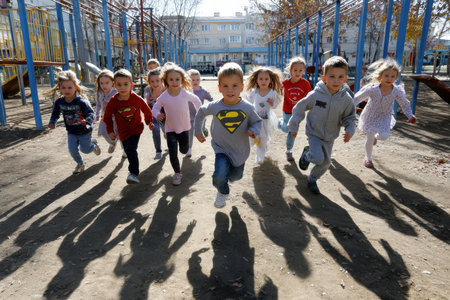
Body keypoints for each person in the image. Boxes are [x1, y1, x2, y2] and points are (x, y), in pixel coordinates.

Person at [194, 62, 262, 208]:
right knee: (219, 176)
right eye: (225, 86)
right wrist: (198, 131)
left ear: (242, 87)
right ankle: (222, 191)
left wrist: (254, 131)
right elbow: (201, 112)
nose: (230, 90)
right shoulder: (215, 106)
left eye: (235, 86)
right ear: (219, 88)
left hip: (240, 151)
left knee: (236, 176)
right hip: (221, 148)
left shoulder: (247, 108)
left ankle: (227, 177)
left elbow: (257, 122)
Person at [288, 56, 356, 194]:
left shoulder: (346, 99)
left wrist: (350, 130)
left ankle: (312, 180)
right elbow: (300, 108)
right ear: (324, 78)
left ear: (345, 78)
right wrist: (294, 126)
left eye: (340, 77)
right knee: (318, 158)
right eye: (332, 76)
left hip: (330, 136)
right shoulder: (315, 95)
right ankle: (308, 154)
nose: (336, 80)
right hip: (314, 133)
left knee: (325, 163)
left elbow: (350, 116)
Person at [354, 58, 416, 168]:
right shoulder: (372, 89)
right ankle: (368, 158)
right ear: (380, 76)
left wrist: (410, 115)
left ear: (396, 77)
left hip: (384, 116)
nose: (389, 78)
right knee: (369, 138)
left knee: (383, 136)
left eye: (392, 76)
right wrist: (347, 108)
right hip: (370, 115)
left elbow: (404, 103)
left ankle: (376, 138)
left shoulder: (396, 91)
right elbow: (357, 98)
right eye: (386, 75)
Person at [152, 63, 202, 185]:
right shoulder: (163, 96)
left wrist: (199, 112)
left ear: (182, 80)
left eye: (177, 79)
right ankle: (177, 173)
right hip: (170, 129)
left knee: (184, 150)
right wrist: (157, 114)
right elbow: (155, 108)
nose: (174, 82)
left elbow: (196, 100)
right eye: (171, 79)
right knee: (172, 152)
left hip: (184, 128)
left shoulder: (184, 93)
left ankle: (185, 149)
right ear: (166, 80)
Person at [103, 69, 155, 184]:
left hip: (136, 128)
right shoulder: (113, 101)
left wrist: (149, 122)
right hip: (122, 131)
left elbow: (146, 110)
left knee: (131, 149)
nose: (122, 87)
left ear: (131, 85)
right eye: (119, 85)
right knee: (127, 150)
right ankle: (133, 170)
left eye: (125, 84)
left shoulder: (136, 98)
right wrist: (110, 131)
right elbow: (106, 117)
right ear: (114, 86)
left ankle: (133, 173)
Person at [47, 70, 101, 174]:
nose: (66, 90)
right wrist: (52, 122)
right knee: (72, 150)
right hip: (71, 131)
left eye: (69, 87)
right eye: (63, 88)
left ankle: (93, 145)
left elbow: (91, 113)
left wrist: (87, 121)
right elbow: (55, 113)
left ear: (75, 87)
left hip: (84, 130)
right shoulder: (59, 102)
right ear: (59, 88)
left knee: (85, 150)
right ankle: (80, 164)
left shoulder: (81, 102)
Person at [245, 66, 282, 164]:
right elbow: (248, 102)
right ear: (256, 80)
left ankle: (260, 157)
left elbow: (275, 105)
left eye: (266, 79)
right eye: (260, 79)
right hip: (254, 119)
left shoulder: (272, 92)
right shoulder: (254, 91)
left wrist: (272, 103)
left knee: (263, 138)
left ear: (270, 80)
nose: (263, 81)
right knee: (253, 137)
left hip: (266, 120)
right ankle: (255, 145)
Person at [279, 56, 312, 162]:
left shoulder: (305, 83)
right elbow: (275, 88)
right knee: (286, 128)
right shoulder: (285, 82)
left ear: (303, 71)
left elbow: (310, 96)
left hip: (298, 113)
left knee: (293, 132)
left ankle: (289, 151)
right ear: (290, 71)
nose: (298, 72)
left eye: (300, 70)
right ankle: (278, 122)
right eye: (295, 70)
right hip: (287, 111)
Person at [187, 68, 214, 157]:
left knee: (199, 130)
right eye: (193, 80)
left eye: (197, 79)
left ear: (200, 79)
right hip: (189, 115)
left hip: (200, 115)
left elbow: (211, 100)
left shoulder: (203, 91)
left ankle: (204, 129)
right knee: (191, 131)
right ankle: (189, 148)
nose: (195, 81)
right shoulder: (186, 91)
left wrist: (210, 108)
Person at [94, 69, 121, 155]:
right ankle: (112, 143)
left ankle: (125, 151)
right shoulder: (99, 92)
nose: (103, 85)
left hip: (116, 118)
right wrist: (97, 113)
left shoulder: (116, 92)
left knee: (120, 135)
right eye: (101, 83)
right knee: (104, 133)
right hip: (105, 117)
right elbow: (98, 104)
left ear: (112, 83)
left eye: (107, 83)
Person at [145, 67, 166, 159]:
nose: (155, 83)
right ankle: (158, 151)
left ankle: (168, 138)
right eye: (152, 81)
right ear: (149, 82)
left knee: (167, 132)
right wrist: (149, 119)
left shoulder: (166, 89)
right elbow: (147, 104)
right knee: (156, 130)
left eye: (157, 81)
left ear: (161, 80)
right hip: (154, 113)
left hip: (165, 113)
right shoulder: (147, 90)